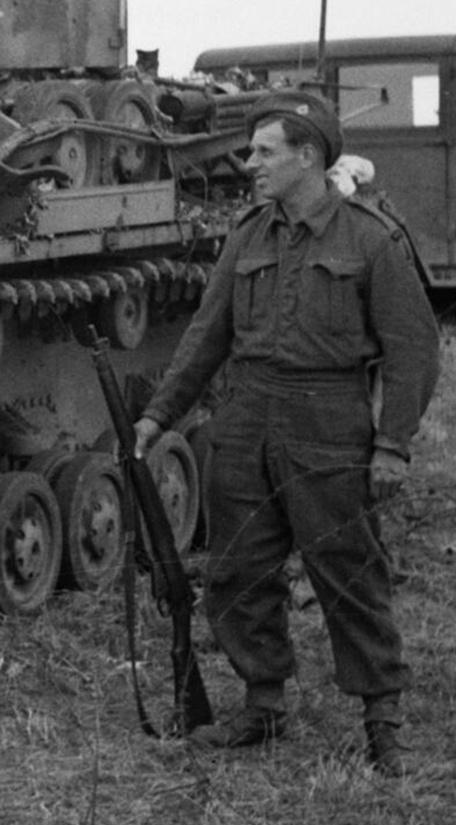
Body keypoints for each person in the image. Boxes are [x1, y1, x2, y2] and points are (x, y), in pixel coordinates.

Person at [133, 91, 439, 774]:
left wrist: (392, 444)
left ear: (308, 156)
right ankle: (263, 703)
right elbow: (207, 334)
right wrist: (159, 415)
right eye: (252, 151)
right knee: (238, 569)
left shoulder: (370, 238)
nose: (251, 163)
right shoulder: (248, 235)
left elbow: (414, 349)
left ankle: (382, 718)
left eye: (264, 152)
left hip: (328, 418)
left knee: (349, 571)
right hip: (246, 416)